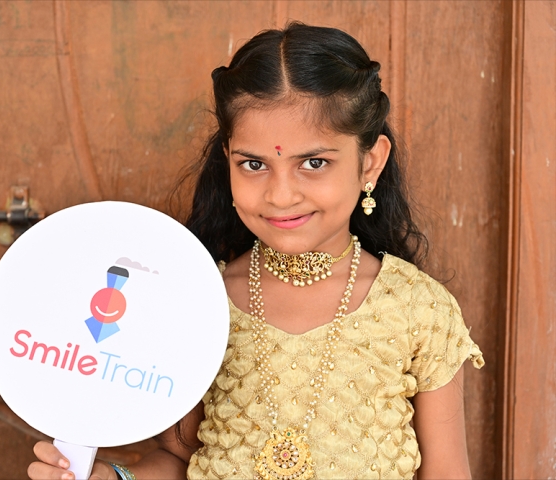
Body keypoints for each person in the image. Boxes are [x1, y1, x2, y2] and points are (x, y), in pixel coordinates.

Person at [28, 22, 484, 480]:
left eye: (314, 163)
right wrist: (109, 478)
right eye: (253, 164)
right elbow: (178, 457)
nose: (281, 195)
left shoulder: (419, 311)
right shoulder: (198, 300)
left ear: (370, 162)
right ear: (227, 159)